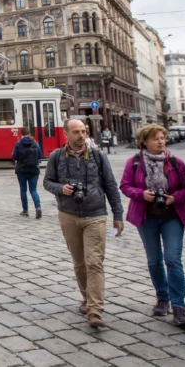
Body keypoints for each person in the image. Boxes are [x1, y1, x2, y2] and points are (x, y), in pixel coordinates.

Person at [43, 119, 125, 328]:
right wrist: (61, 189)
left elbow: (110, 185)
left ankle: (95, 309)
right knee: (79, 262)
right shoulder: (56, 157)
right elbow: (47, 182)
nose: (82, 135)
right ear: (66, 134)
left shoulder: (97, 155)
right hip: (68, 214)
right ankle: (87, 298)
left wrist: (118, 214)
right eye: (77, 132)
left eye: (84, 131)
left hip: (95, 214)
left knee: (94, 262)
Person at [120, 124, 185, 326]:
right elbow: (125, 186)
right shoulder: (134, 162)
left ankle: (179, 307)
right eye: (156, 138)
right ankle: (163, 297)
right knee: (154, 259)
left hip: (173, 216)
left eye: (163, 137)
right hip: (147, 217)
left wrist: (174, 198)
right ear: (144, 141)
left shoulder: (175, 162)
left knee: (173, 259)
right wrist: (141, 194)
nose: (161, 141)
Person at [11, 127, 43, 218]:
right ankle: (38, 207)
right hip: (34, 170)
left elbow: (14, 156)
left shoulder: (18, 144)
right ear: (29, 133)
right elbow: (40, 156)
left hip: (21, 170)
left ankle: (25, 210)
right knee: (33, 190)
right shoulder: (35, 143)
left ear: (21, 134)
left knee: (23, 190)